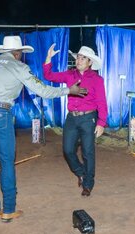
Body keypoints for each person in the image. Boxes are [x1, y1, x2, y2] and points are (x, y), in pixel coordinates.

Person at [0, 35, 88, 223]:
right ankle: (8, 210)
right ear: (17, 53)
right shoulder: (19, 67)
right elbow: (42, 90)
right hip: (0, 113)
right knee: (7, 162)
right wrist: (68, 90)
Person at [43, 44, 108, 197]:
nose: (79, 60)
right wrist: (48, 58)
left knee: (88, 152)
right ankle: (81, 172)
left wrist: (101, 122)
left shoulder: (97, 80)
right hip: (72, 117)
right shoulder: (69, 75)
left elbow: (102, 102)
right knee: (67, 150)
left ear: (90, 62)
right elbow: (48, 76)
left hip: (88, 118)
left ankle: (88, 184)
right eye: (78, 57)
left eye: (83, 58)